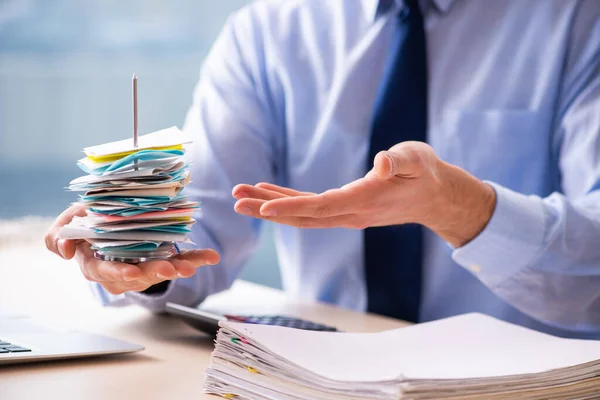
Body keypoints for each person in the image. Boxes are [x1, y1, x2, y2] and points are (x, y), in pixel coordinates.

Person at [46, 0, 600, 338]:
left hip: (527, 379)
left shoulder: (580, 21)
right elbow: (204, 227)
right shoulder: (265, 34)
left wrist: (464, 209)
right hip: (322, 372)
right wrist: (137, 247)